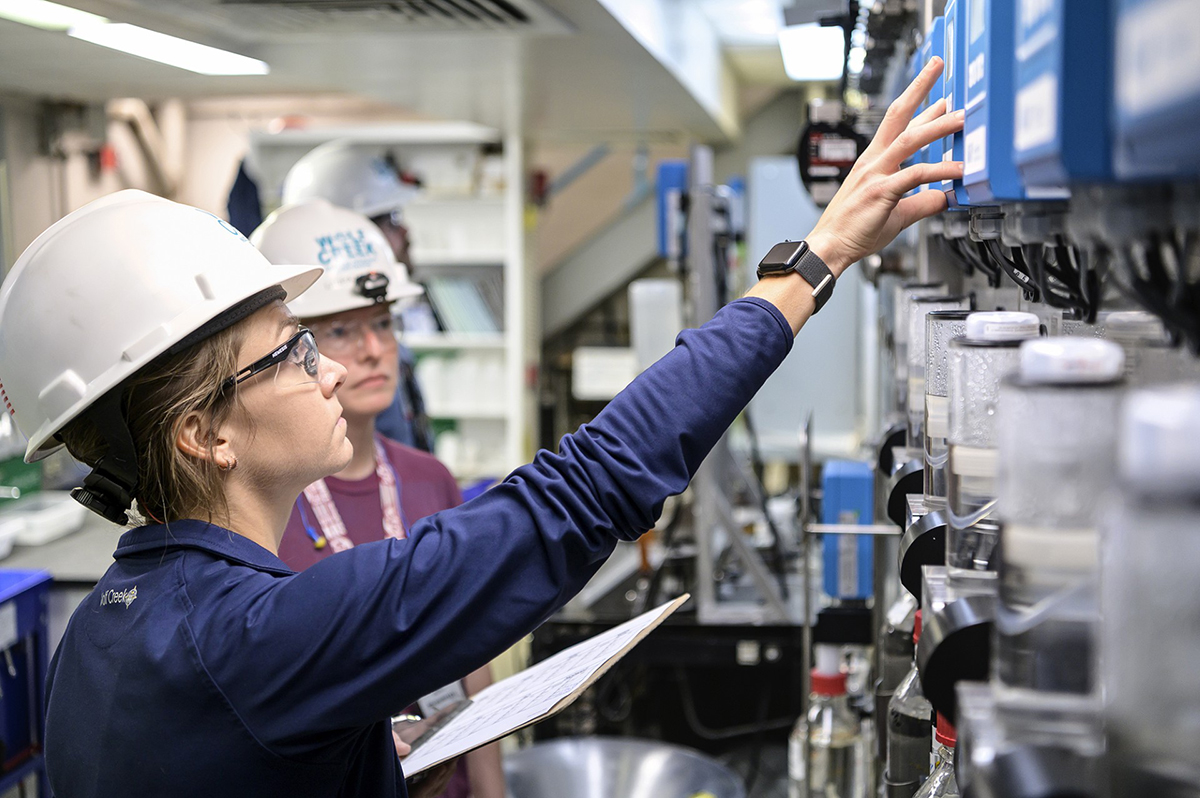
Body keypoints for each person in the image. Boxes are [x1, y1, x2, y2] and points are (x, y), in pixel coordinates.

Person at [0, 59, 961, 797]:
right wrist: (811, 265)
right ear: (202, 436)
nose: (334, 364)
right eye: (294, 349)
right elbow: (579, 491)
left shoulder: (100, 632)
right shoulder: (257, 638)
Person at [251, 198, 506, 798]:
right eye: (341, 329)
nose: (373, 349)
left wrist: (494, 790)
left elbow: (473, 658)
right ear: (292, 346)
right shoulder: (261, 507)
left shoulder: (431, 480)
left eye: (384, 322)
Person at [282, 139, 433, 450]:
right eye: (390, 218)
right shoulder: (333, 367)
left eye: (382, 323)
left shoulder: (388, 353)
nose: (404, 232)